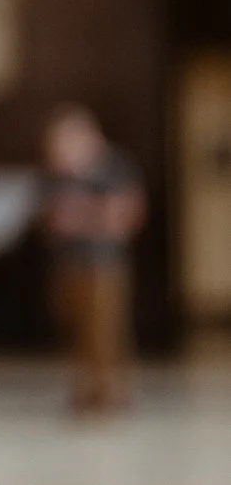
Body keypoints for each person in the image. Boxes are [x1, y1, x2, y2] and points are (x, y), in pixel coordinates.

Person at [40, 103, 146, 414]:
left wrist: (81, 217)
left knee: (106, 331)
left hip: (103, 265)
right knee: (75, 329)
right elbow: (50, 217)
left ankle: (112, 392)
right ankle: (86, 390)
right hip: (67, 264)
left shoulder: (112, 167)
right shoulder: (58, 174)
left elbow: (126, 215)